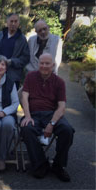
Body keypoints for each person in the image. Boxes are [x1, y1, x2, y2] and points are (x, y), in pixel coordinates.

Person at [20, 53, 74, 182]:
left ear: (53, 65)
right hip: (33, 114)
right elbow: (24, 97)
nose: (44, 66)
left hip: (51, 113)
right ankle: (40, 164)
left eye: (47, 63)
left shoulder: (59, 82)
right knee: (27, 129)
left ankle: (58, 165)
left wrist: (52, 124)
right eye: (41, 63)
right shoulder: (30, 76)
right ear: (38, 64)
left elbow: (61, 107)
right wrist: (27, 116)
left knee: (67, 130)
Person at [0, 13, 30, 89]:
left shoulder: (22, 39)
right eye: (11, 21)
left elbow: (25, 58)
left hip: (13, 76)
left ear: (18, 23)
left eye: (16, 21)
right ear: (7, 22)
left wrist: (12, 61)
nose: (13, 24)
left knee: (11, 99)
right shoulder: (0, 35)